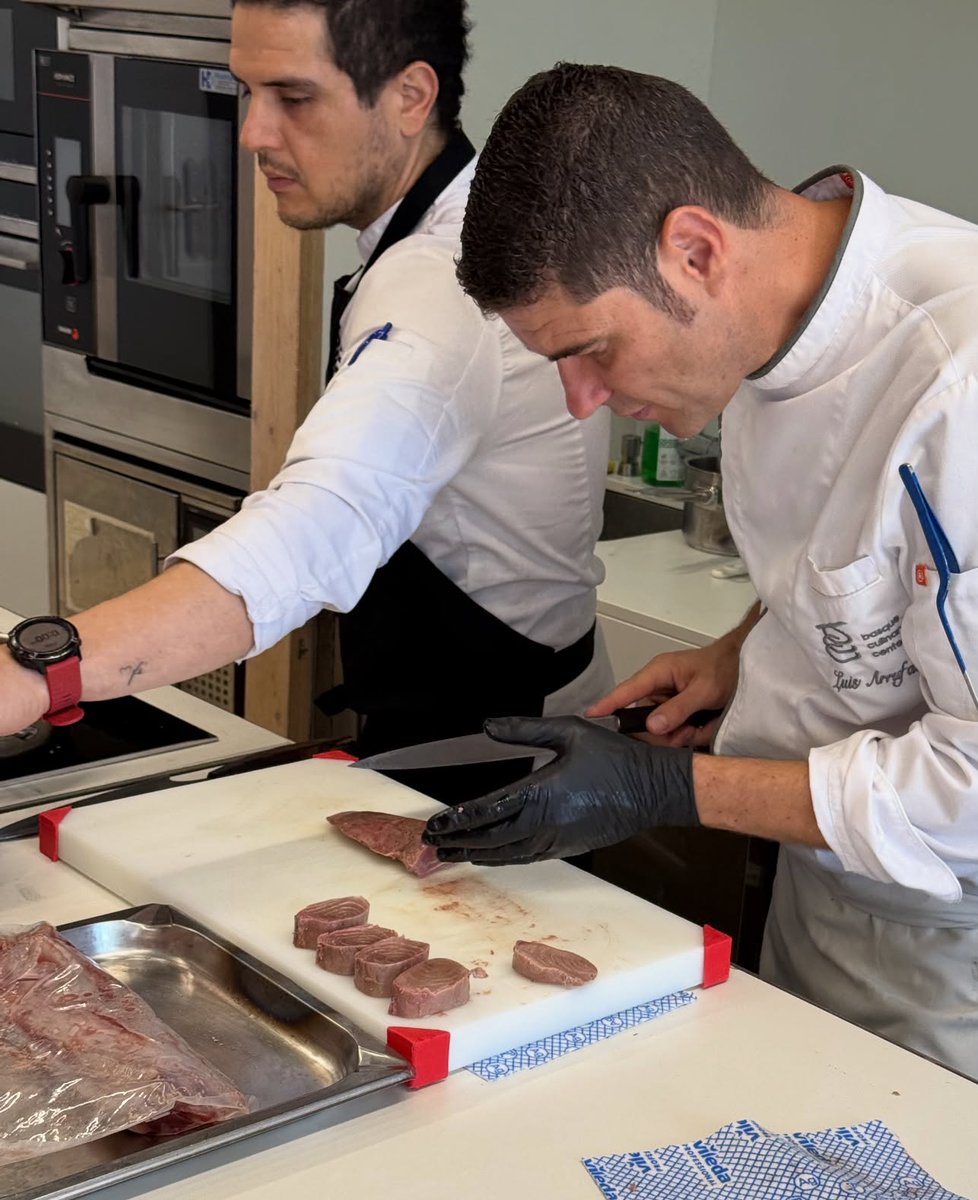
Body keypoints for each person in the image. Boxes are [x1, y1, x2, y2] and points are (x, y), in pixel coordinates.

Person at [425, 63, 978, 1131]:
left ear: (696, 251)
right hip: (824, 899)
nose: (580, 399)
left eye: (590, 351)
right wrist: (745, 648)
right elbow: (870, 558)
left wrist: (667, 792)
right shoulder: (763, 339)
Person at [0, 5, 612, 803]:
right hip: (467, 724)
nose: (253, 133)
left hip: (497, 761)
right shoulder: (452, 231)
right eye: (247, 91)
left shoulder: (443, 283)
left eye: (293, 98)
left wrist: (40, 668)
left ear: (410, 96)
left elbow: (309, 531)